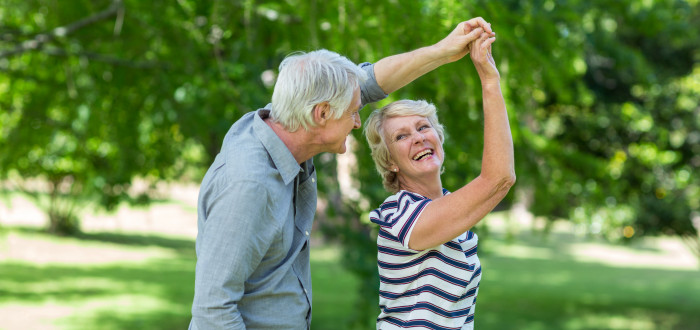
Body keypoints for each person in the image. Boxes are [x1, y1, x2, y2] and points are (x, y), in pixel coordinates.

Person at [189, 18, 495, 330]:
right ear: (321, 114)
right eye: (352, 112)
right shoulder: (249, 184)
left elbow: (370, 83)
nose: (357, 122)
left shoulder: (288, 118)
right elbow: (213, 311)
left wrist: (443, 50)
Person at [363, 24, 515, 330]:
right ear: (390, 162)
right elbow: (499, 178)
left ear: (438, 138)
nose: (418, 138)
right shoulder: (398, 214)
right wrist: (489, 79)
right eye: (401, 136)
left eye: (422, 127)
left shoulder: (455, 219)